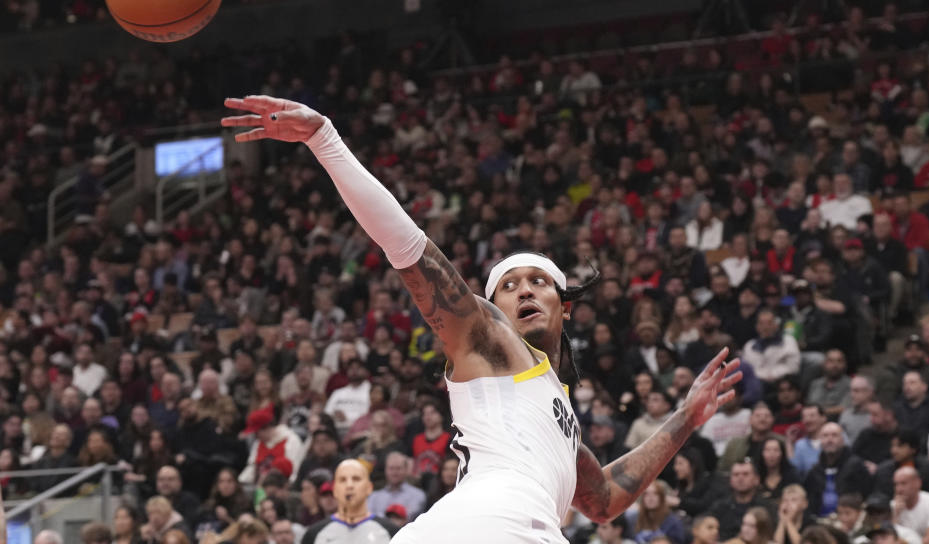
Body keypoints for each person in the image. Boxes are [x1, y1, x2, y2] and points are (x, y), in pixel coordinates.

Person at [223, 95, 740, 541]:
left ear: (567, 304)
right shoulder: (493, 342)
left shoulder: (557, 415)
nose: (524, 291)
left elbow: (602, 500)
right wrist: (326, 141)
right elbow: (408, 248)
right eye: (508, 288)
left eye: (538, 281)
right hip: (493, 527)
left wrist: (686, 418)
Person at [301, 459, 398, 544]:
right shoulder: (314, 534)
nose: (349, 485)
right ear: (335, 490)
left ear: (369, 487)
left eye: (356, 479)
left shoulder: (391, 532)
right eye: (343, 480)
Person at [892, 466, 929, 544]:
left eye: (903, 483)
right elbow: (889, 539)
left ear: (918, 483)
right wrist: (896, 515)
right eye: (896, 484)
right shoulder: (894, 505)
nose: (899, 489)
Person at [367, 452, 426, 519]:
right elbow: (368, 519)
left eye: (398, 468)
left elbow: (406, 519)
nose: (394, 472)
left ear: (406, 470)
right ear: (385, 470)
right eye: (391, 468)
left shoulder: (417, 495)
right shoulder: (374, 497)